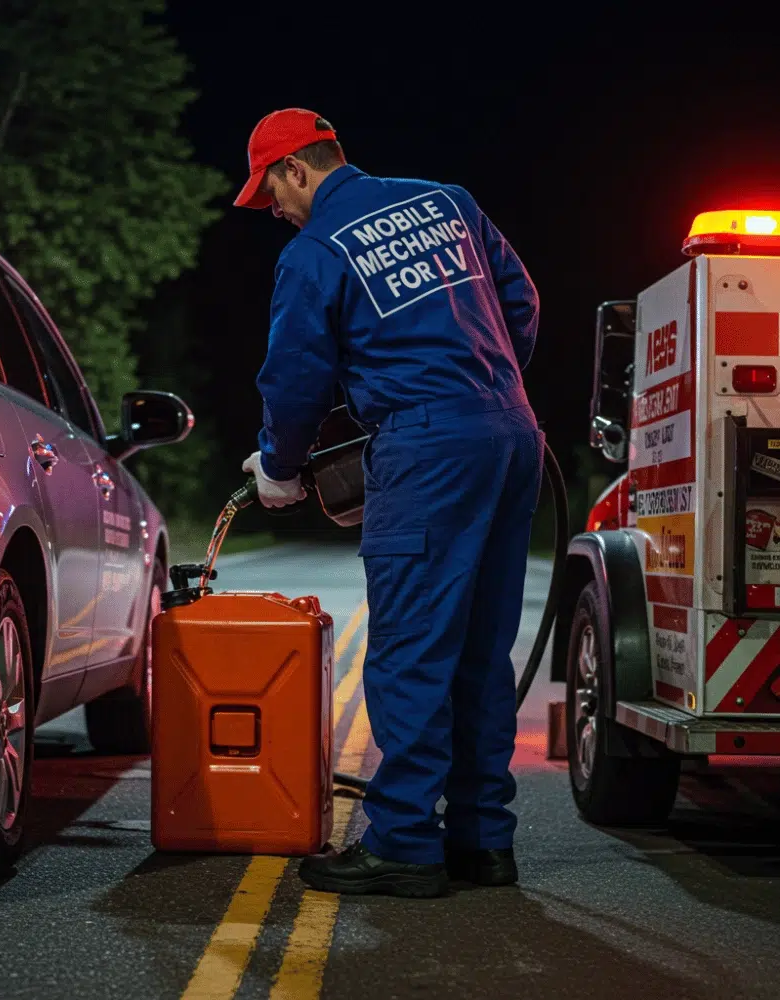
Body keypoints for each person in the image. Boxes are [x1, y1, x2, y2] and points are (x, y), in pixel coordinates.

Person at [236, 108, 543, 898]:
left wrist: (279, 465)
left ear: (298, 168)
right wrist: (483, 387)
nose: (273, 209)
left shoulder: (314, 252)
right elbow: (523, 302)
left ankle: (405, 842)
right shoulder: (448, 201)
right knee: (481, 648)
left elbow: (296, 374)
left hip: (427, 447)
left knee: (411, 649)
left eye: (271, 190)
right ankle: (482, 841)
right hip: (511, 434)